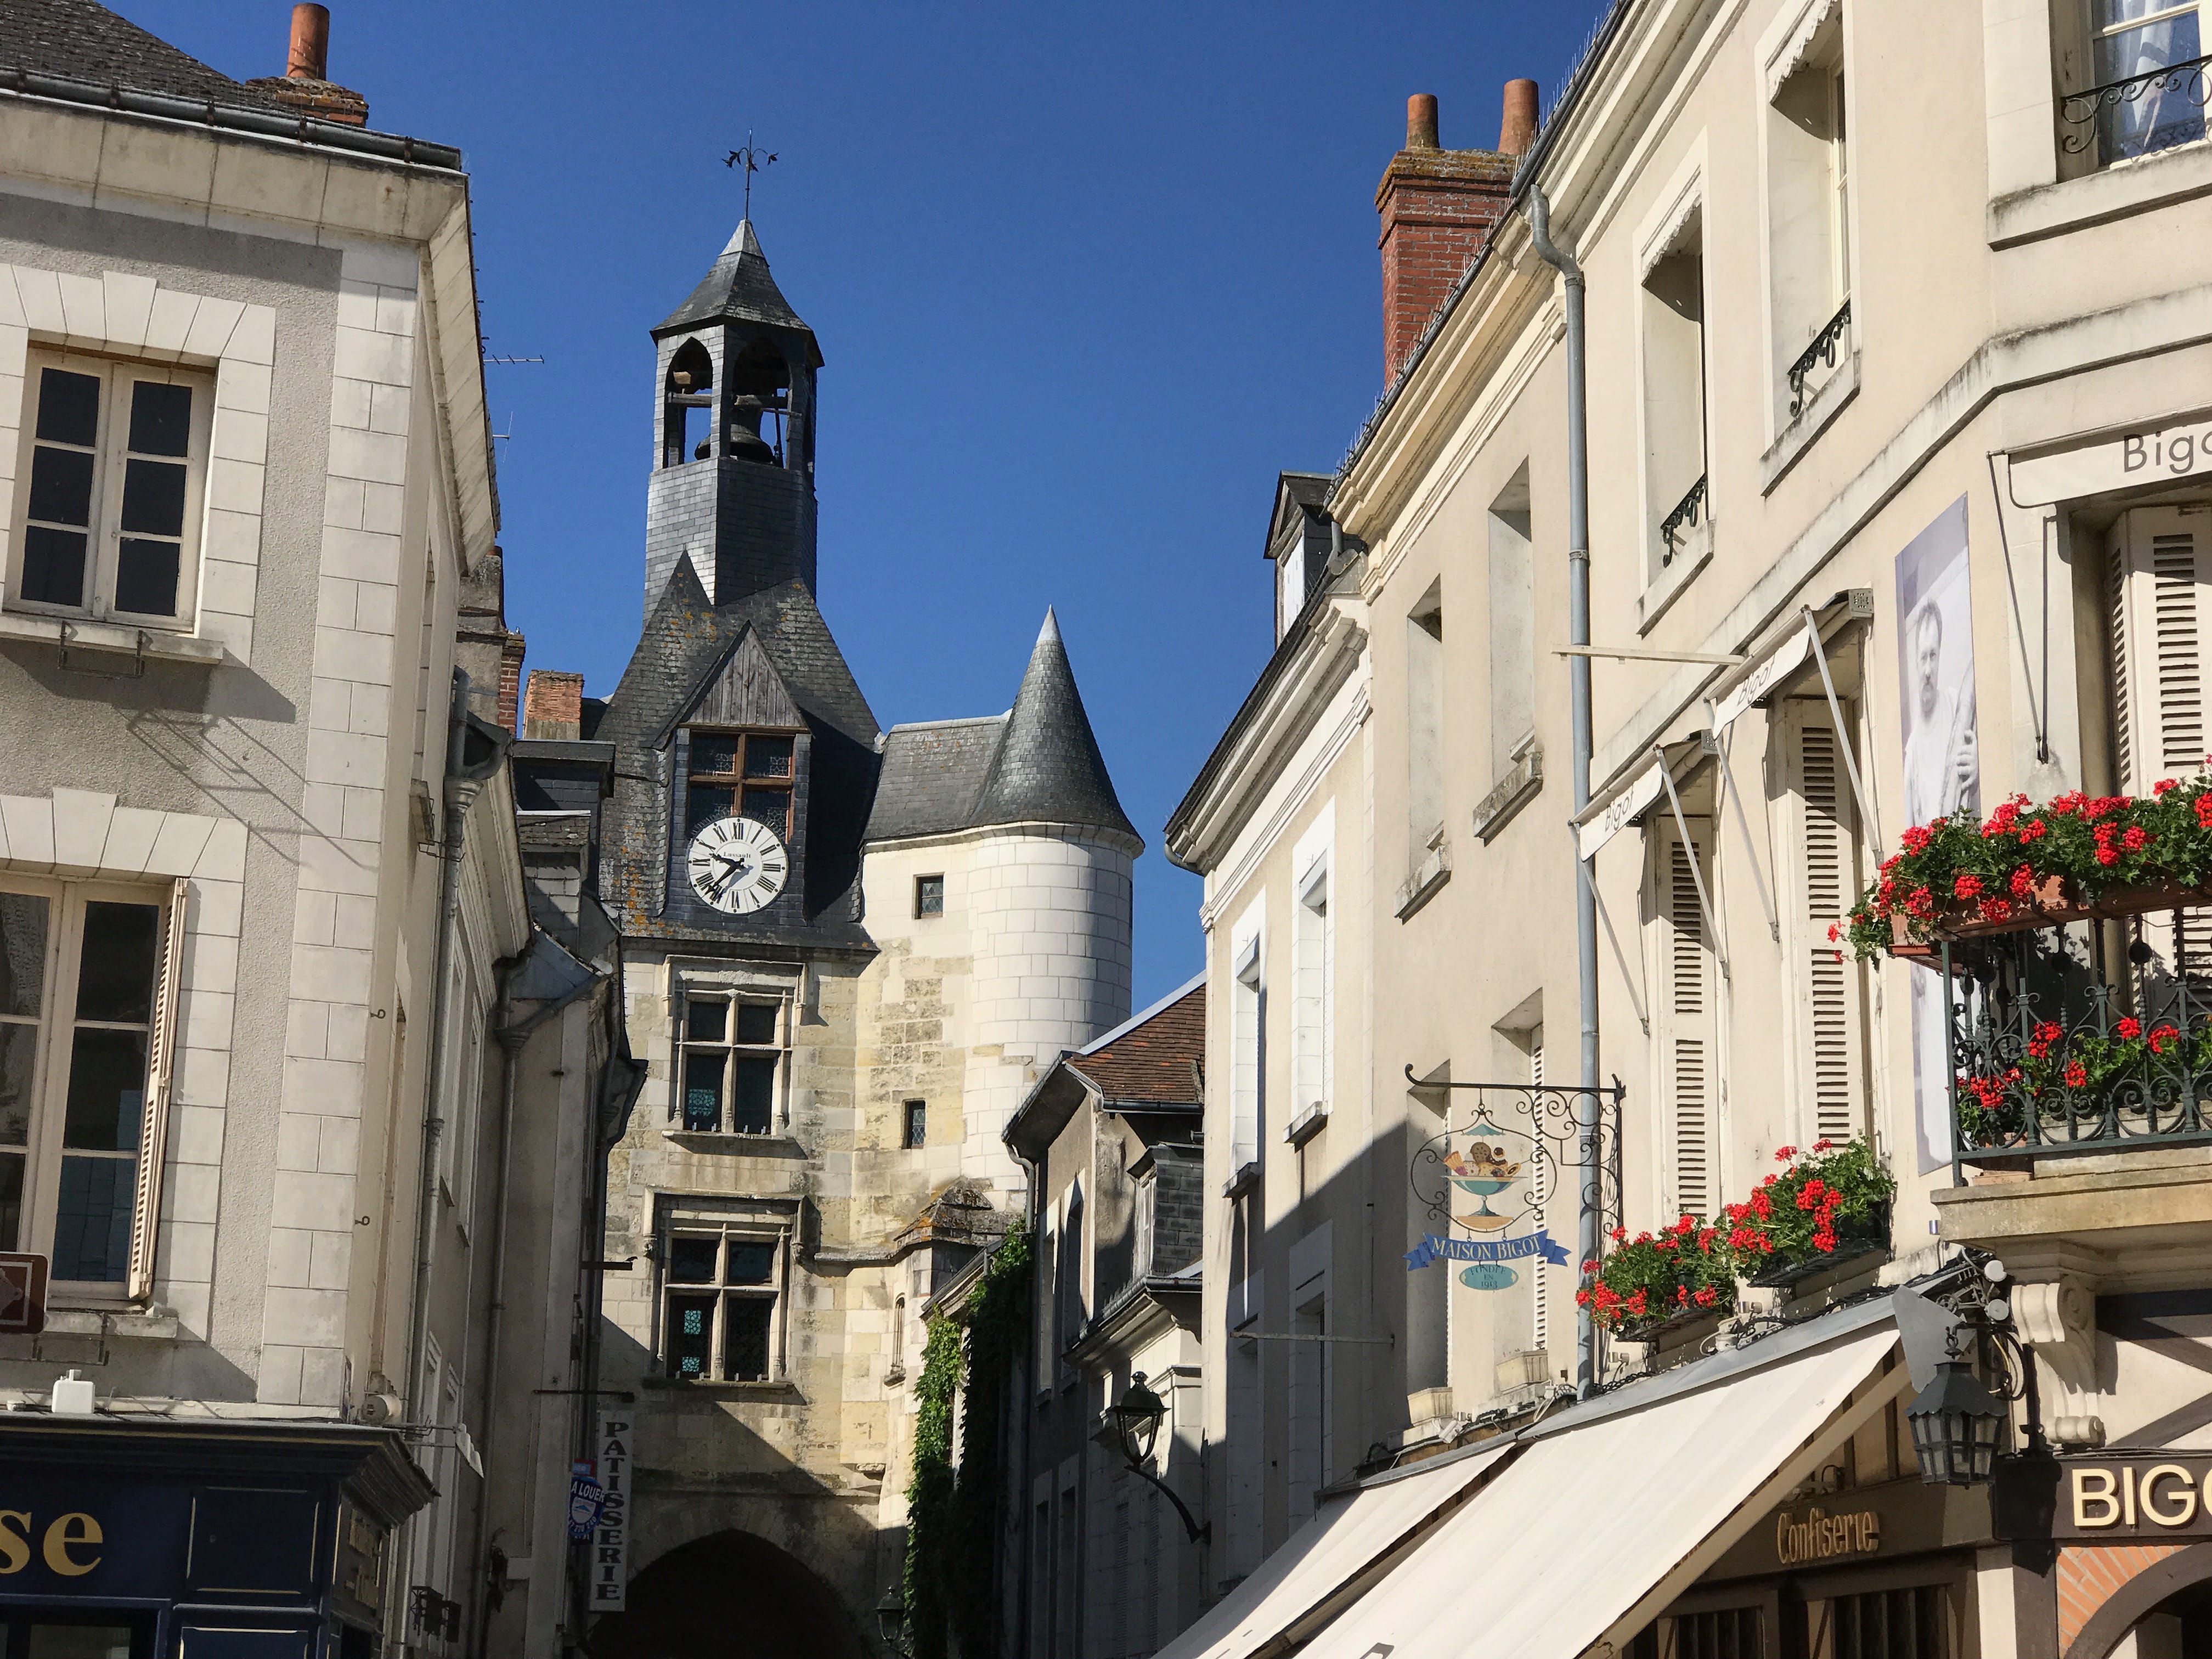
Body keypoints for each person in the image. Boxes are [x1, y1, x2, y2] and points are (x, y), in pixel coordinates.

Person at [1903, 601, 1977, 827]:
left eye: (1933, 656)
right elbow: (1908, 830)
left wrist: (1978, 761)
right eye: (1923, 657)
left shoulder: (1957, 705)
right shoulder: (1913, 748)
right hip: (1932, 847)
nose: (1928, 670)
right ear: (1915, 661)